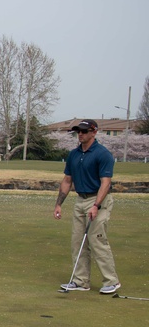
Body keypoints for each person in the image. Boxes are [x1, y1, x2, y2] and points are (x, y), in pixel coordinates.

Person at [53, 119, 120, 294]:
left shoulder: (102, 154)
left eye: (84, 131)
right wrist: (58, 204)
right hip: (80, 200)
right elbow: (67, 180)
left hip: (98, 199)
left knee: (97, 240)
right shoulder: (74, 154)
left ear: (94, 132)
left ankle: (111, 281)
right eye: (78, 132)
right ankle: (81, 281)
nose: (80, 134)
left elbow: (106, 182)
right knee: (77, 242)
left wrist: (96, 205)